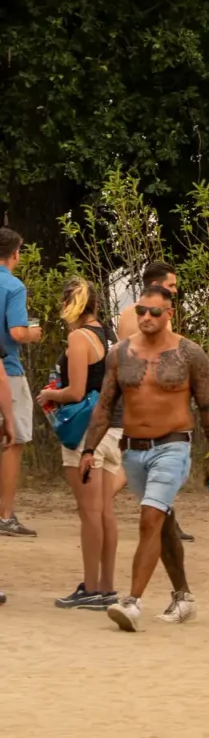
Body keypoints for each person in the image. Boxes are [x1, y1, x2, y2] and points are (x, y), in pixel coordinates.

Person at [81, 286, 209, 630]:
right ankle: (184, 596)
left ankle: (132, 602)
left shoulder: (189, 353)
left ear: (170, 314)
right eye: (141, 311)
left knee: (150, 519)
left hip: (173, 446)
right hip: (133, 450)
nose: (146, 317)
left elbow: (208, 407)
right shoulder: (119, 353)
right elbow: (104, 406)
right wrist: (89, 449)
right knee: (161, 523)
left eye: (155, 312)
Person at [40, 279, 112, 605]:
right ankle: (105, 585)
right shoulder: (107, 334)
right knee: (103, 511)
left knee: (89, 511)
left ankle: (92, 587)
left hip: (84, 431)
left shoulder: (79, 337)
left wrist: (49, 394)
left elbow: (76, 391)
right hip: (108, 427)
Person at [0, 226, 36, 537]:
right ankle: (4, 514)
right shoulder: (13, 286)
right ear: (15, 253)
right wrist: (33, 333)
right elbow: (16, 332)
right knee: (13, 442)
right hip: (7, 371)